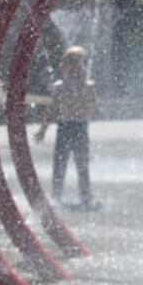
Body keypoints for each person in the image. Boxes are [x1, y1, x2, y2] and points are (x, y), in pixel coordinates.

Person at [35, 45, 98, 209]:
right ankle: (75, 197)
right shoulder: (65, 86)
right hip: (72, 126)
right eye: (74, 63)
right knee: (67, 164)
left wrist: (43, 129)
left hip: (72, 126)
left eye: (80, 63)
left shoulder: (80, 86)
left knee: (77, 163)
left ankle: (76, 197)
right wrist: (43, 129)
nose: (78, 67)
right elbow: (52, 110)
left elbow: (53, 110)